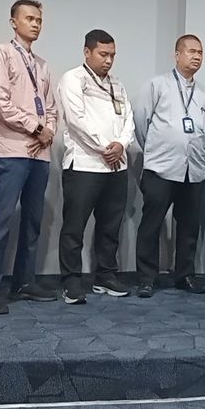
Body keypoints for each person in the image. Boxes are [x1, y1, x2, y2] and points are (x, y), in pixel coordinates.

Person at [0, 0, 58, 315]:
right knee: (1, 219)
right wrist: (36, 128)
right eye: (29, 18)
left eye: (39, 19)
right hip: (11, 149)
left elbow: (51, 108)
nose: (35, 24)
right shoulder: (1, 53)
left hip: (39, 153)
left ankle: (24, 282)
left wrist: (48, 131)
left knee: (33, 221)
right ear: (13, 22)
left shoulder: (42, 64)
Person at [57, 29, 135, 304]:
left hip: (116, 166)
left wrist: (121, 145)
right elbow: (76, 121)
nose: (108, 60)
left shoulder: (117, 84)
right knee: (74, 227)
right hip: (84, 164)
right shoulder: (72, 79)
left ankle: (105, 275)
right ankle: (71, 281)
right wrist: (106, 148)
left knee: (110, 226)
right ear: (87, 52)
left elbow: (129, 119)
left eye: (112, 55)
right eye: (103, 54)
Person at [132, 34, 205, 298]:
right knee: (151, 224)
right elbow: (141, 122)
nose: (196, 56)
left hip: (194, 170)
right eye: (191, 51)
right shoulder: (157, 85)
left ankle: (185, 275)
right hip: (161, 167)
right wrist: (157, 149)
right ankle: (146, 278)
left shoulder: (203, 93)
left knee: (189, 226)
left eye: (200, 52)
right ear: (177, 55)